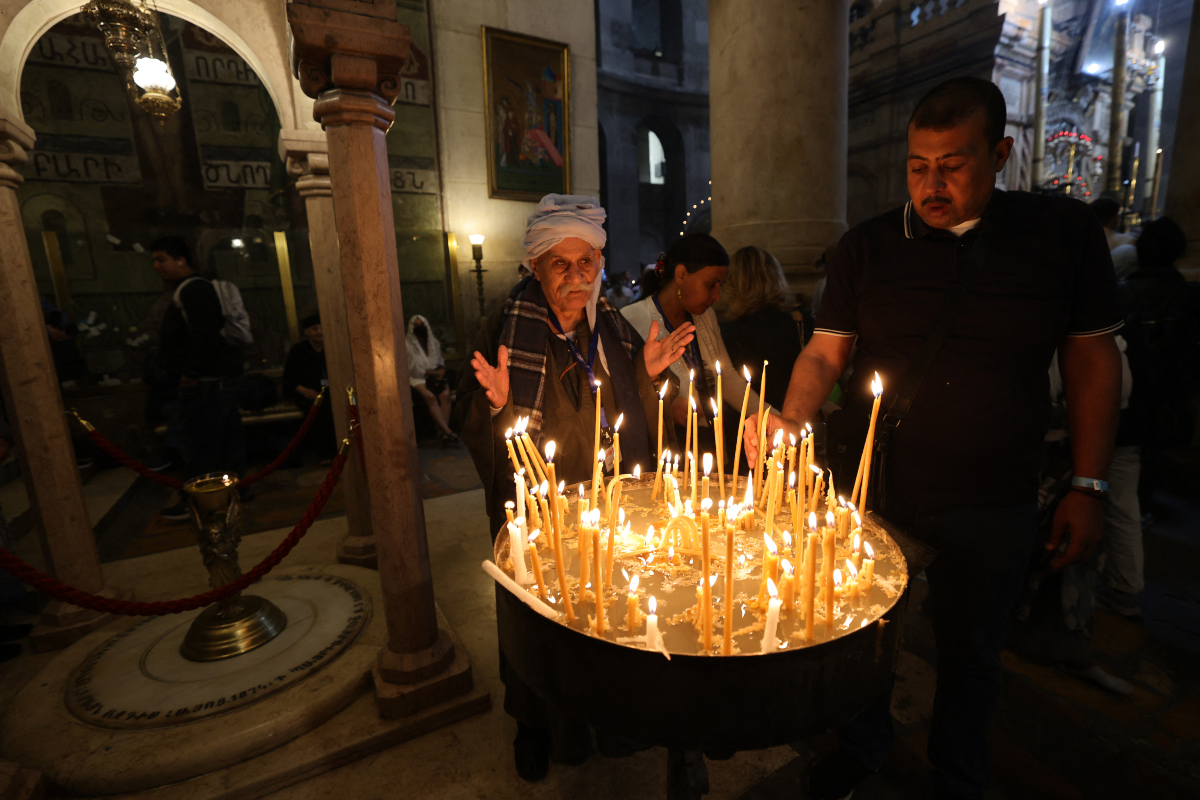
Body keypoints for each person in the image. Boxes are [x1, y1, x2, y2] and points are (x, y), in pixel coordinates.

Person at [746, 77, 1123, 800]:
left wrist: (1089, 482)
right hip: (879, 488)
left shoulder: (1058, 238)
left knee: (973, 651)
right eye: (919, 166)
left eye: (953, 163)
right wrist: (791, 421)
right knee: (861, 635)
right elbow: (825, 353)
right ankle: (863, 747)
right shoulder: (868, 247)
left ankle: (958, 776)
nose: (932, 182)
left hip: (994, 495)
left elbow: (1089, 362)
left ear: (1001, 154)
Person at [457, 194, 692, 782]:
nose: (577, 277)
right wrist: (496, 406)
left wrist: (648, 371)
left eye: (587, 262)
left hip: (604, 509)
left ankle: (607, 719)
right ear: (534, 266)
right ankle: (534, 726)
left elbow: (631, 406)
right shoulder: (504, 327)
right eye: (561, 264)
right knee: (537, 625)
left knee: (601, 622)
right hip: (539, 508)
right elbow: (477, 422)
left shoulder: (611, 325)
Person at [622, 235, 758, 464]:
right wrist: (666, 404)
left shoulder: (705, 317)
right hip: (666, 451)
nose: (717, 296)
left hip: (709, 442)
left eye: (720, 286)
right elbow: (623, 391)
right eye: (711, 285)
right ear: (681, 275)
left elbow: (727, 378)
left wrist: (773, 417)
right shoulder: (632, 318)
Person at [150, 236, 248, 519]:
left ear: (181, 260)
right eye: (154, 261)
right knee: (226, 437)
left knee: (201, 442)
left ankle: (201, 499)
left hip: (208, 381)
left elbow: (206, 335)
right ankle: (230, 492)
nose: (157, 266)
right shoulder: (191, 290)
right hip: (214, 379)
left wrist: (191, 373)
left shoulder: (193, 290)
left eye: (162, 259)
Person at [1119, 217, 1200, 528]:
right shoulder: (1190, 296)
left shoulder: (1121, 293)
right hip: (1170, 385)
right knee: (1153, 450)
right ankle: (1141, 505)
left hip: (1127, 386)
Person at [719, 246, 803, 413]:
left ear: (733, 283)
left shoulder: (728, 332)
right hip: (795, 416)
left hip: (746, 423)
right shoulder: (799, 319)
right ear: (776, 276)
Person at [282, 313, 337, 463]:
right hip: (307, 392)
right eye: (314, 328)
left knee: (337, 405)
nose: (319, 331)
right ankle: (324, 453)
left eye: (321, 328)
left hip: (332, 391)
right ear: (307, 332)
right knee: (317, 408)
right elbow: (290, 378)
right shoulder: (298, 351)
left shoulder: (333, 348)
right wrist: (304, 390)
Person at [406, 314, 458, 445]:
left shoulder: (434, 343)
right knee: (430, 397)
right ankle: (447, 431)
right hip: (418, 377)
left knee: (445, 395)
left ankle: (443, 434)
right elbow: (414, 369)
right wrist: (434, 372)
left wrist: (440, 372)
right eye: (416, 326)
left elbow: (440, 361)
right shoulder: (407, 345)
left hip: (435, 376)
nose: (419, 328)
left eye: (422, 325)